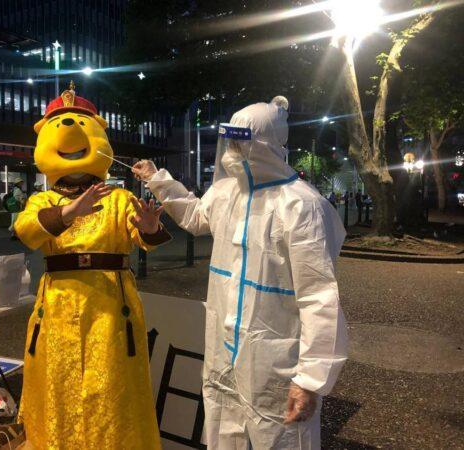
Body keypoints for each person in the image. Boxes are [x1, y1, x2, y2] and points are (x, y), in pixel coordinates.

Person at [133, 97, 348, 450]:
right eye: (230, 140)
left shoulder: (301, 206)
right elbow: (195, 216)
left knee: (282, 438)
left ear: (265, 143)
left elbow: (319, 298)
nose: (232, 149)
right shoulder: (226, 192)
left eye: (241, 140)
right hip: (222, 353)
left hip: (275, 364)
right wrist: (158, 179)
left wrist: (310, 379)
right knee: (223, 432)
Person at [14, 83, 170, 449]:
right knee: (59, 382)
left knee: (113, 386)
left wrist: (148, 228)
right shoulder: (42, 200)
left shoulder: (119, 197)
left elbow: (145, 237)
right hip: (57, 306)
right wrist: (70, 212)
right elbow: (26, 232)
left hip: (110, 309)